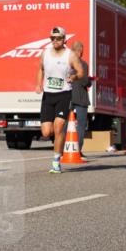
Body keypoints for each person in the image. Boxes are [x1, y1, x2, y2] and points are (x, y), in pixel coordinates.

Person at [35, 26, 85, 174]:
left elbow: (81, 71)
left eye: (58, 38)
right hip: (48, 95)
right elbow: (40, 69)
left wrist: (74, 77)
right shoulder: (45, 54)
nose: (55, 41)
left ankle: (56, 161)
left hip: (64, 94)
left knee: (58, 128)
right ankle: (57, 147)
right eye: (52, 38)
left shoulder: (70, 55)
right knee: (46, 132)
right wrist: (39, 84)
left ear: (64, 39)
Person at [69, 41, 91, 158]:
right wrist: (89, 82)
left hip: (67, 96)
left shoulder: (66, 63)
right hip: (80, 97)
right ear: (80, 51)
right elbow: (84, 81)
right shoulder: (83, 64)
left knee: (65, 124)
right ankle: (78, 150)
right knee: (81, 125)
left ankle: (64, 149)